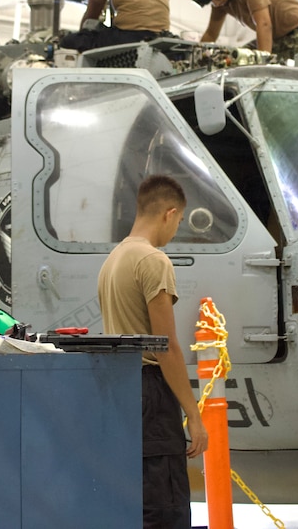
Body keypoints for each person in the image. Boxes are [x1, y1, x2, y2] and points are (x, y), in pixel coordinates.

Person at [97, 175, 208, 528]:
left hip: (120, 391)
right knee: (165, 509)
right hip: (151, 395)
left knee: (134, 507)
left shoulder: (113, 260)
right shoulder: (153, 260)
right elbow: (166, 346)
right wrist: (194, 414)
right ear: (169, 213)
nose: (175, 230)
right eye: (179, 221)